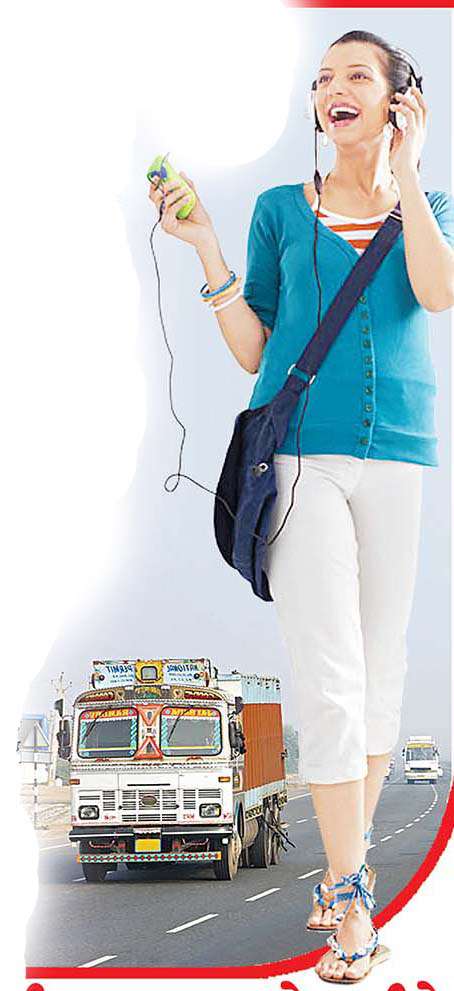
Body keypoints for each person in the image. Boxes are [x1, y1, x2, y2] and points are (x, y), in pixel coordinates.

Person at [148, 30, 454, 984]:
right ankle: (350, 896)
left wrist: (408, 169)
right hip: (298, 460)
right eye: (322, 79)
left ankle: (347, 882)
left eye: (357, 75)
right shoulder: (282, 209)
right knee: (330, 672)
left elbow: (439, 290)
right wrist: (206, 244)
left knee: (381, 673)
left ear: (399, 97)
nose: (332, 90)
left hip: (398, 456)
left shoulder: (430, 205)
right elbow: (255, 348)